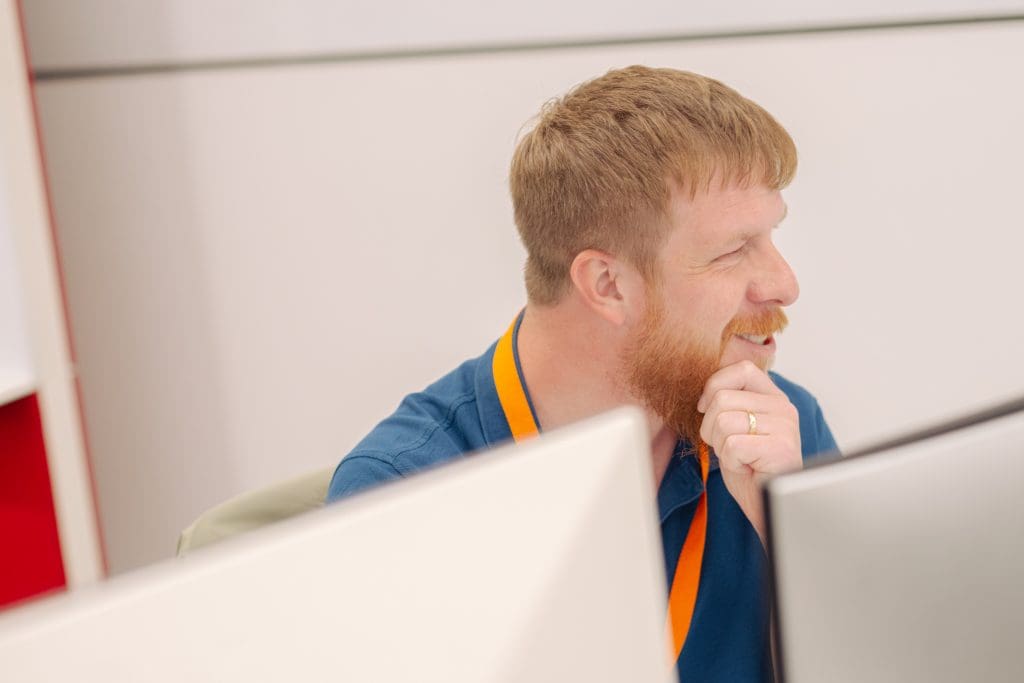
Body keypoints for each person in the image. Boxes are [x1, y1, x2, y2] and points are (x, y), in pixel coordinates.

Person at [325, 65, 838, 682]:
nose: (785, 285)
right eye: (732, 251)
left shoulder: (776, 430)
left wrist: (791, 527)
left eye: (772, 235)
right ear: (607, 285)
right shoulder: (401, 492)